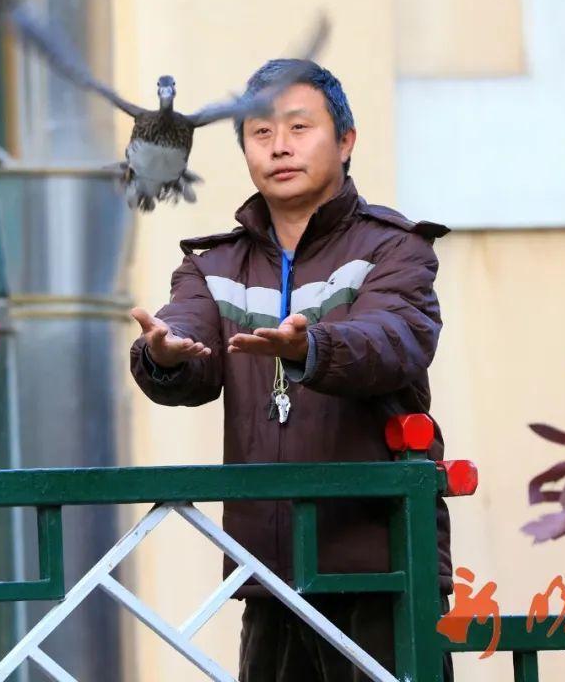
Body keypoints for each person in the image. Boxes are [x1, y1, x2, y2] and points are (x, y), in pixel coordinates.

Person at [129, 58, 454, 681]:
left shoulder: (394, 246)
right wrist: (162, 355)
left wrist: (313, 347)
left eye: (299, 128)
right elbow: (183, 329)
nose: (279, 146)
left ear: (346, 141)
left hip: (380, 566)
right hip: (266, 569)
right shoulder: (213, 265)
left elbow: (397, 339)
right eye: (260, 132)